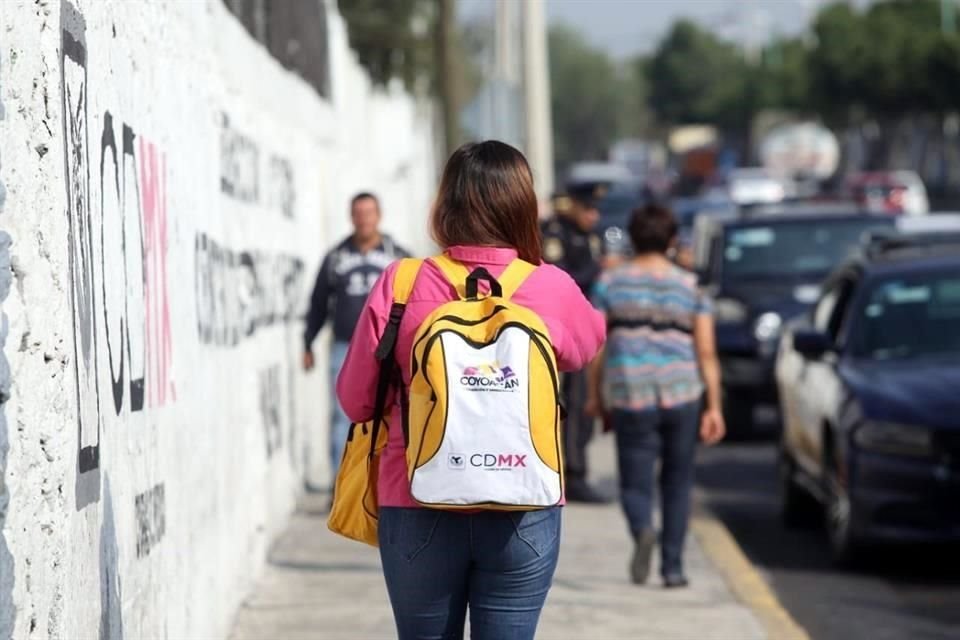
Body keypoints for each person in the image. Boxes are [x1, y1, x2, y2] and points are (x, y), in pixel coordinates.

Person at [336, 141, 605, 640]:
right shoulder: (550, 286)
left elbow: (355, 400)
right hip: (524, 500)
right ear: (523, 206)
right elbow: (586, 345)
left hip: (418, 498)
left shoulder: (401, 282)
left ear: (445, 204)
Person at [586, 203, 725, 589]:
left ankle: (643, 528)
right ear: (670, 240)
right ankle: (673, 567)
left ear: (632, 238)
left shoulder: (610, 283)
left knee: (634, 481)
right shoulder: (690, 285)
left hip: (632, 393)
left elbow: (597, 346)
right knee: (678, 482)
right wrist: (714, 406)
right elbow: (707, 351)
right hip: (683, 393)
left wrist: (596, 396)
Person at [303, 192, 408, 485]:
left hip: (388, 350)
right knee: (342, 415)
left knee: (392, 413)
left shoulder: (397, 254)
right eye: (358, 213)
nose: (364, 219)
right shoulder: (336, 257)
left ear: (379, 216)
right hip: (345, 348)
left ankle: (381, 483)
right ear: (352, 217)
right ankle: (344, 485)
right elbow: (318, 302)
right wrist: (307, 342)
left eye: (369, 212)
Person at [541, 183, 614, 503]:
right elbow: (560, 277)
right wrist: (598, 268)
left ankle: (578, 467)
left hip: (583, 328)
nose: (593, 216)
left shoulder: (590, 237)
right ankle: (571, 470)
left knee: (585, 401)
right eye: (588, 210)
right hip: (560, 328)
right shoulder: (556, 234)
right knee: (568, 401)